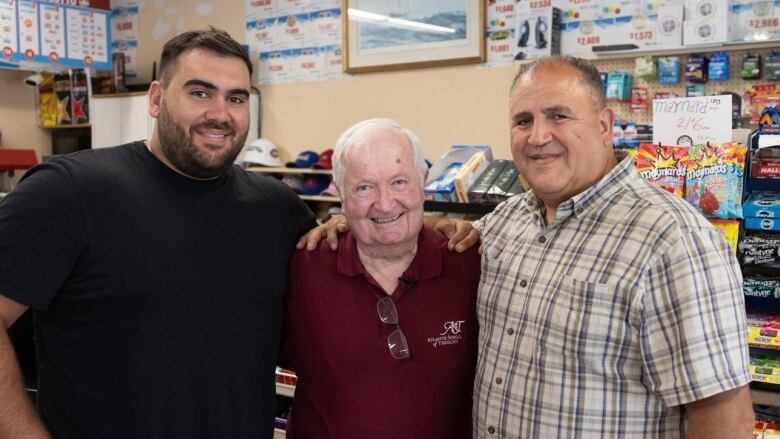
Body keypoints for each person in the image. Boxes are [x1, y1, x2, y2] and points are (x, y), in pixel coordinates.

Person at [299, 56, 754, 438]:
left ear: (604, 125)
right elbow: (418, 229)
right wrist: (363, 218)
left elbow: (723, 413)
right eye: (523, 120)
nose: (538, 136)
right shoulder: (506, 223)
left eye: (558, 115)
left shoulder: (673, 239)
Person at [0, 28, 316, 438]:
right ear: (155, 99)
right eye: (200, 92)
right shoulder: (69, 191)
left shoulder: (279, 210)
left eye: (236, 97)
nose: (221, 113)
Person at [281, 118, 481, 438]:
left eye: (399, 182)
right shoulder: (302, 265)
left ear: (423, 182)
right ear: (342, 198)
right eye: (364, 187)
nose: (385, 202)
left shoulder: (471, 262)